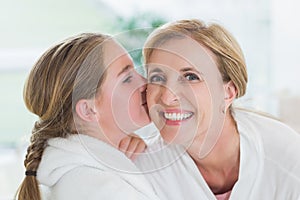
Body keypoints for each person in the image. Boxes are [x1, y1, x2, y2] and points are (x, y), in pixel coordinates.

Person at [135, 19, 300, 200]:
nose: (167, 97)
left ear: (228, 92)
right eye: (157, 78)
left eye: (191, 77)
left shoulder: (286, 156)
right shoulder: (142, 165)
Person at [16, 33, 160, 200]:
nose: (144, 82)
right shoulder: (101, 190)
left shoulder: (79, 173)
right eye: (127, 79)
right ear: (88, 110)